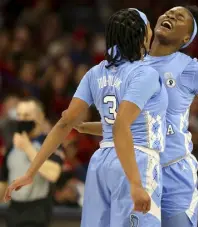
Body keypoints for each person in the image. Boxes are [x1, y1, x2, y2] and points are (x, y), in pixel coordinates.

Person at [74, 5, 198, 227]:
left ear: (186, 37)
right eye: (169, 13)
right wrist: (83, 126)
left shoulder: (193, 70)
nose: (170, 16)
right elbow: (127, 124)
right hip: (138, 166)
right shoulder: (128, 64)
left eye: (179, 18)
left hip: (173, 170)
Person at [4, 8, 168, 227]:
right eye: (149, 28)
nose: (152, 33)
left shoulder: (96, 73)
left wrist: (30, 172)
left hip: (101, 163)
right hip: (136, 160)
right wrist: (136, 183)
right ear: (140, 34)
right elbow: (121, 125)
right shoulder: (145, 73)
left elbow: (66, 123)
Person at [0, 97, 63, 227]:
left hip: (37, 213)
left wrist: (28, 148)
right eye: (19, 115)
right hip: (13, 213)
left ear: (39, 118)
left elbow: (53, 174)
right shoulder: (12, 148)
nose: (22, 119)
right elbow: (3, 182)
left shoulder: (50, 144)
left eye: (27, 115)